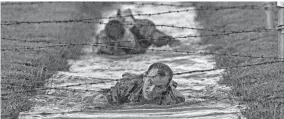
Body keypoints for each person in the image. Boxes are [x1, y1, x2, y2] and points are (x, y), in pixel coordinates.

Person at [88, 62, 185, 106]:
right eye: (150, 83)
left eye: (159, 87)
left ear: (165, 88)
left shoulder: (175, 99)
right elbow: (106, 98)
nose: (151, 90)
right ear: (144, 77)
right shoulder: (127, 86)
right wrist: (101, 101)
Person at [92, 9, 181, 55]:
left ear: (128, 29)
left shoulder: (144, 30)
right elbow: (95, 53)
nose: (127, 42)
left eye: (127, 40)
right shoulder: (103, 38)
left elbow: (172, 42)